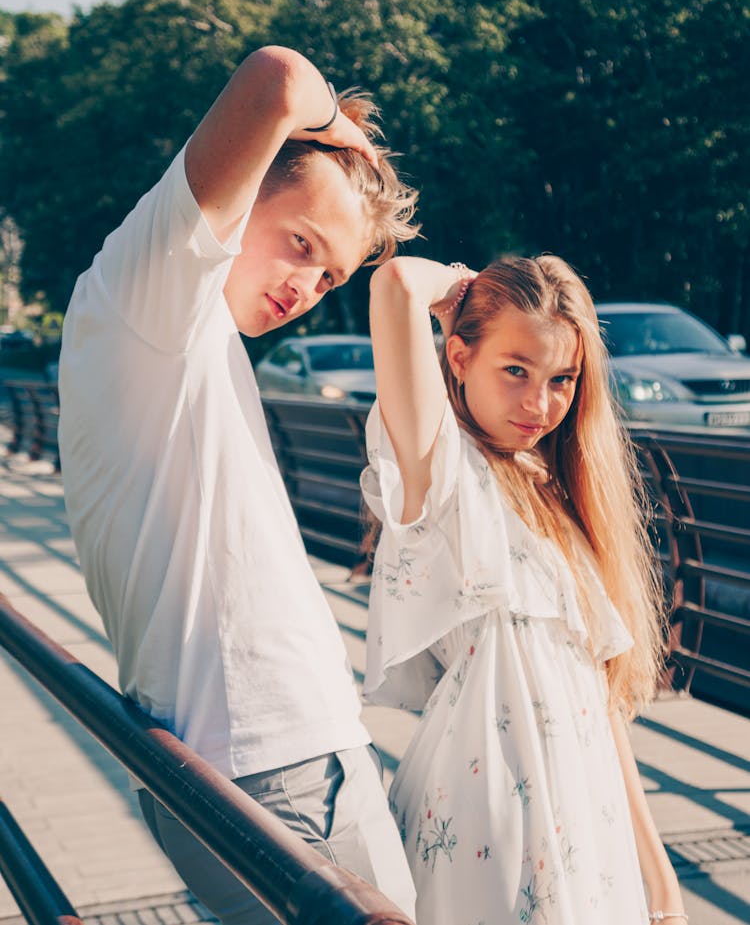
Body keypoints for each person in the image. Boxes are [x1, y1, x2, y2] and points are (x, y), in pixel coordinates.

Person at [57, 46, 419, 924]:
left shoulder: (189, 337)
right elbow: (278, 80)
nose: (307, 287)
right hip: (265, 767)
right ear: (244, 187)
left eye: (330, 275)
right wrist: (344, 139)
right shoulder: (150, 292)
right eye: (302, 243)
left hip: (296, 751)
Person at [361, 255, 688, 925]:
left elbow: (597, 703)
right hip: (484, 826)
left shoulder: (556, 496)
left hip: (585, 825)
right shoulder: (443, 472)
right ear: (458, 356)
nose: (540, 403)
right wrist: (461, 287)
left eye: (561, 378)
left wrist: (661, 883)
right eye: (516, 370)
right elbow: (394, 285)